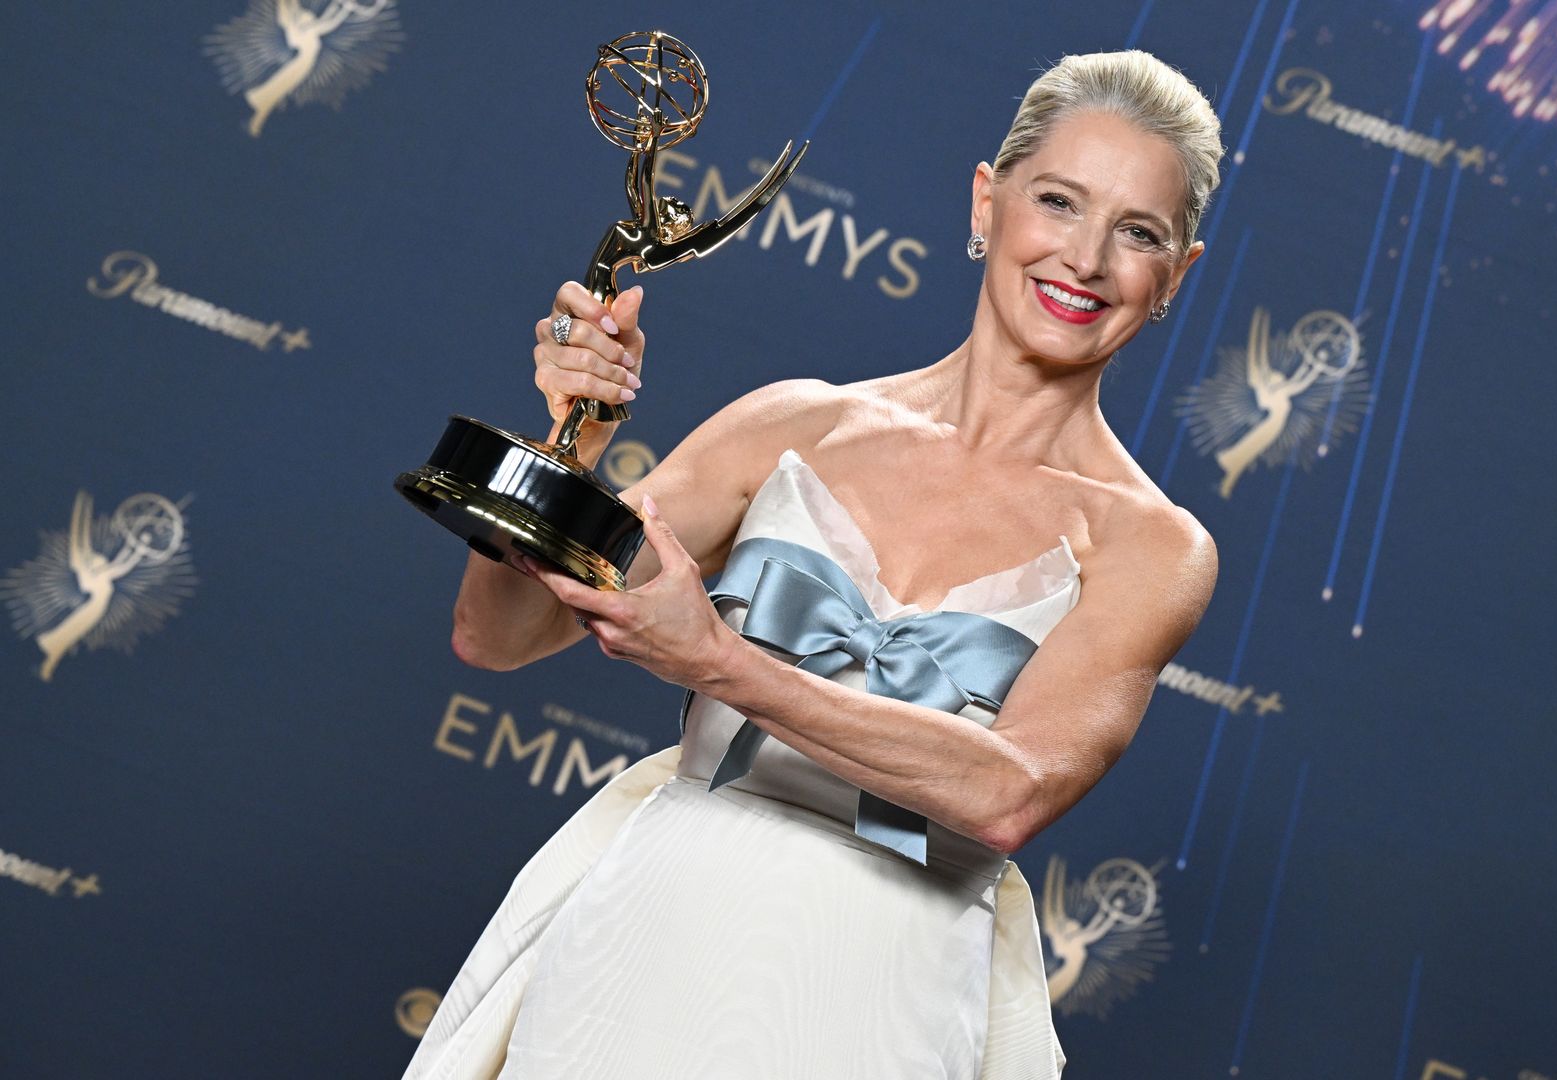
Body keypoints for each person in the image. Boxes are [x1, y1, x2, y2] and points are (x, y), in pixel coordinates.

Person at [404, 47, 1224, 1080]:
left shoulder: (1154, 547)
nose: (1086, 258)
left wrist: (722, 664)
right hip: (643, 952)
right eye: (1059, 201)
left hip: (883, 995)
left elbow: (1008, 795)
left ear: (1175, 276)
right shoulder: (794, 425)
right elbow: (497, 634)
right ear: (987, 201)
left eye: (1138, 232)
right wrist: (571, 446)